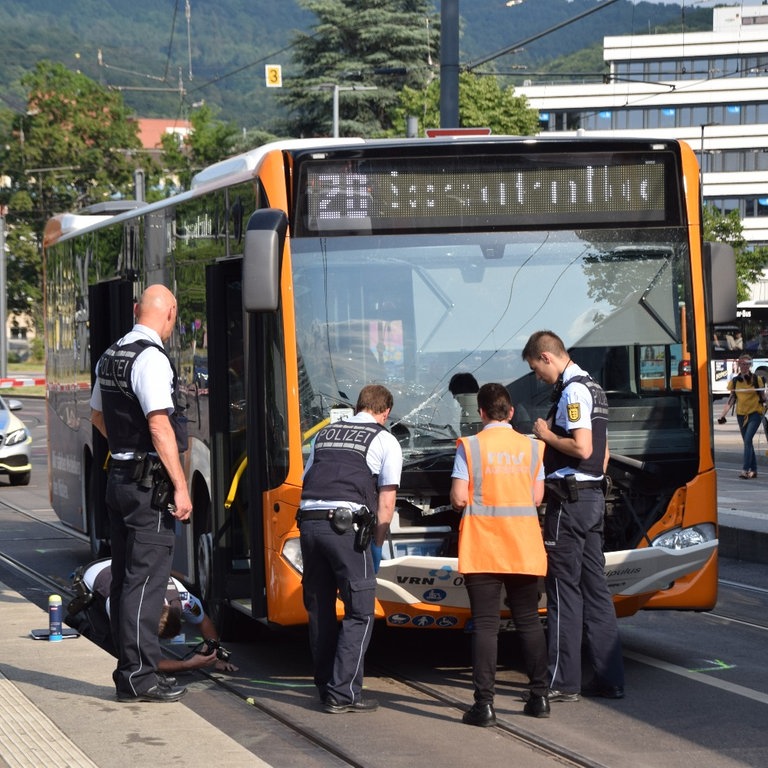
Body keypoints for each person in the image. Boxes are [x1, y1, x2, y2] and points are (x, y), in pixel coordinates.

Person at [90, 284, 192, 703]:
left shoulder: (112, 354)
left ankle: (138, 668)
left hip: (121, 479)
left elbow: (97, 415)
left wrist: (124, 450)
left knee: (129, 579)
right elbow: (159, 426)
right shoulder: (151, 359)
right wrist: (181, 486)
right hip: (147, 487)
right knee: (145, 582)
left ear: (137, 310)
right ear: (169, 313)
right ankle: (137, 677)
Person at [522, 330, 624, 702]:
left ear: (547, 357)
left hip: (570, 501)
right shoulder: (594, 388)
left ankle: (562, 681)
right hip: (593, 496)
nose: (537, 377)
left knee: (563, 589)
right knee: (596, 589)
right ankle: (610, 677)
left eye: (536, 369)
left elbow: (582, 447)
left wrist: (546, 435)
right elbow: (603, 452)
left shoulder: (572, 391)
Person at [297, 383, 403, 714]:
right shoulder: (384, 439)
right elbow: (386, 500)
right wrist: (377, 544)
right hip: (345, 529)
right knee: (360, 610)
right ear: (384, 412)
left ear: (359, 407)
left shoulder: (324, 435)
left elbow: (308, 479)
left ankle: (325, 685)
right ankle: (343, 693)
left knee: (321, 609)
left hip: (309, 524)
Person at [450, 383, 550, 725]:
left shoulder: (471, 447)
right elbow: (537, 498)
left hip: (484, 546)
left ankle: (485, 705)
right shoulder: (533, 448)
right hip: (523, 546)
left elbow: (460, 498)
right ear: (510, 412)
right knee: (529, 621)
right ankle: (539, 698)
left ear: (480, 413)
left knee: (487, 626)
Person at [67, 559, 237, 675]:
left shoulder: (183, 599)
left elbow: (204, 621)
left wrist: (216, 656)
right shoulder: (124, 607)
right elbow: (144, 661)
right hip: (95, 581)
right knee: (114, 650)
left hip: (118, 567)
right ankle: (80, 625)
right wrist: (187, 665)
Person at [725, 354, 766, 479]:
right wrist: (723, 414)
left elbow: (763, 397)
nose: (744, 366)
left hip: (755, 413)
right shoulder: (735, 381)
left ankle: (745, 469)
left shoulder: (756, 379)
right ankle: (754, 470)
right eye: (742, 364)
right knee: (748, 443)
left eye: (747, 364)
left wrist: (765, 402)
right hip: (741, 414)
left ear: (750, 365)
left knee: (748, 440)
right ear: (738, 365)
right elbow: (731, 398)